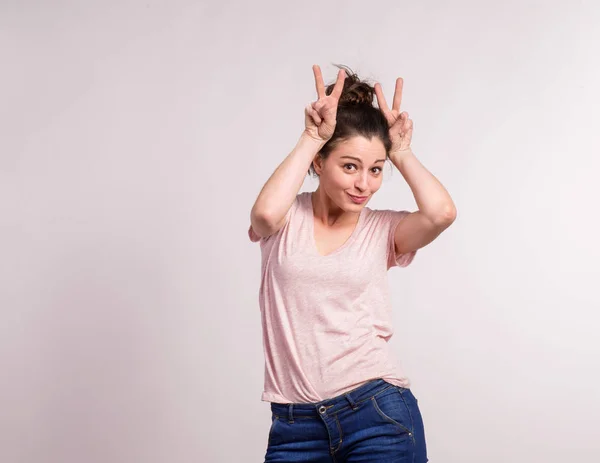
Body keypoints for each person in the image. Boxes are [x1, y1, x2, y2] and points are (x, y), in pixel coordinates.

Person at [248, 63, 457, 463]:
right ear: (318, 163)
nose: (364, 184)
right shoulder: (286, 218)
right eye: (349, 166)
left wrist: (402, 152)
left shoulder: (382, 230)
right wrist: (312, 136)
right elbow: (264, 216)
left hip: (377, 413)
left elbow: (440, 213)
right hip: (294, 427)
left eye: (375, 170)